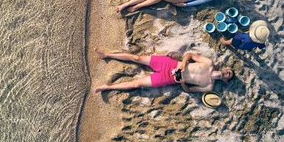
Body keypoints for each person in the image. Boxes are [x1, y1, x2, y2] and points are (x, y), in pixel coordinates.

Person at [94, 47, 234, 93]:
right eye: (229, 70)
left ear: (226, 80)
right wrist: (184, 64)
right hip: (170, 65)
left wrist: (182, 82)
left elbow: (189, 90)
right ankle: (107, 55)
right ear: (226, 68)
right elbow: (190, 55)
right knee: (137, 58)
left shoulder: (208, 86)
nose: (227, 73)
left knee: (137, 84)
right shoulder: (209, 63)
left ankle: (108, 87)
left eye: (229, 75)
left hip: (170, 79)